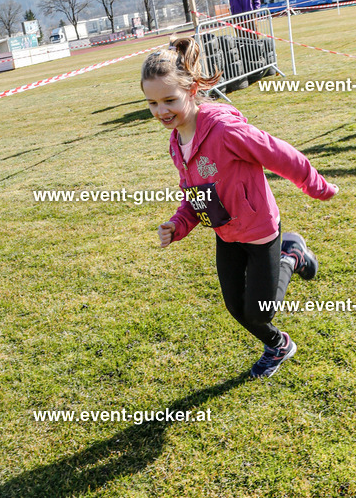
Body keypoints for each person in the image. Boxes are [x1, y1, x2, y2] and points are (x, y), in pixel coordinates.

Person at [141, 35, 339, 379]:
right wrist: (178, 225)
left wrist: (316, 186)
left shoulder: (224, 129)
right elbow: (194, 194)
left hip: (260, 230)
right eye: (152, 103)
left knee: (261, 311)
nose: (161, 111)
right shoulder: (176, 143)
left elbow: (280, 154)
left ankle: (291, 254)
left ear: (192, 89)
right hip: (227, 233)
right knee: (236, 306)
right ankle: (279, 346)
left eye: (169, 100)